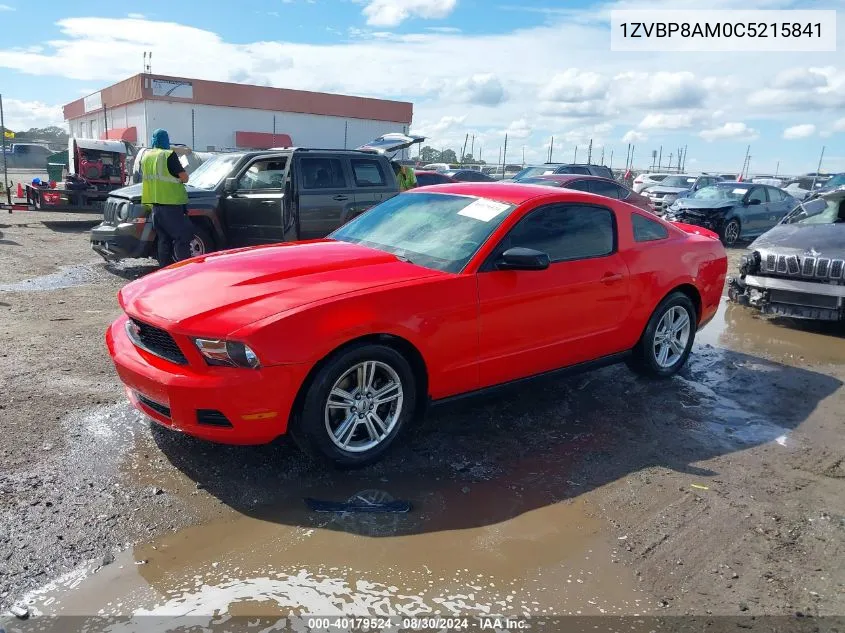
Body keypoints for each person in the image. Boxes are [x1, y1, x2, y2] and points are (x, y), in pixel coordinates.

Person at [140, 129, 192, 266]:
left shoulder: (146, 157)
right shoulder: (168, 155)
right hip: (172, 205)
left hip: (155, 207)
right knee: (182, 238)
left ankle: (164, 270)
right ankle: (184, 271)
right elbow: (184, 178)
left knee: (164, 240)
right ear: (166, 140)